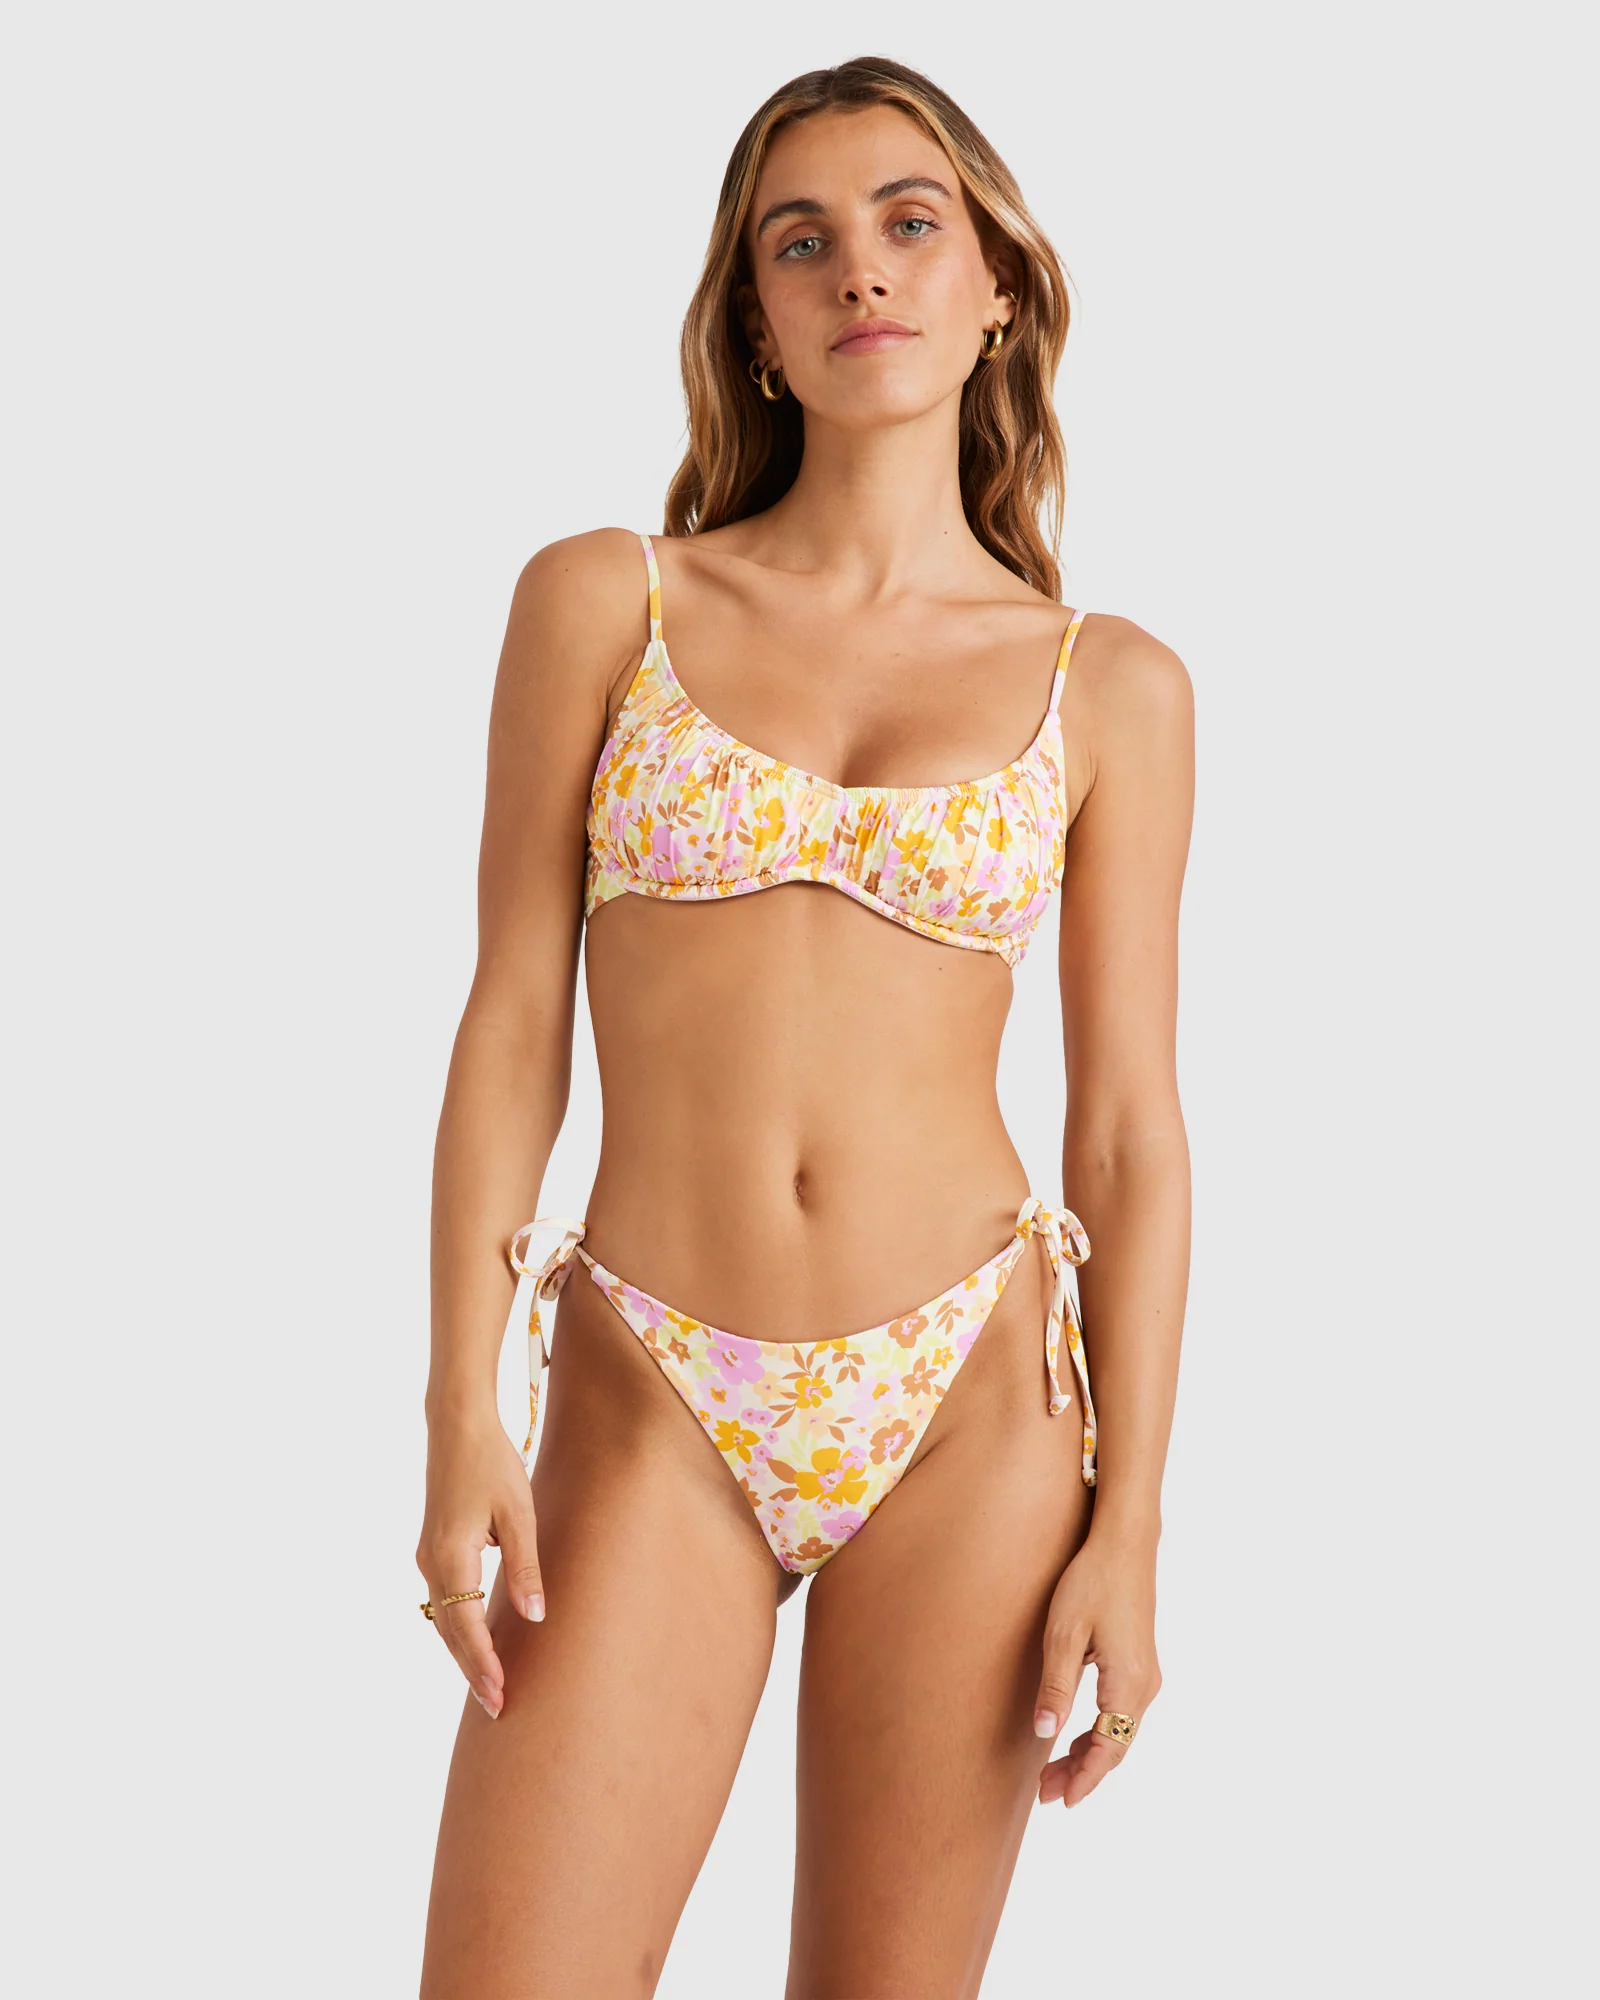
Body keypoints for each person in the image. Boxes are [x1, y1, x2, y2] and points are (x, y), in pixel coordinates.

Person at [417, 55, 1193, 2000]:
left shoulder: (1110, 686)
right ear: (755, 320)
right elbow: (509, 1020)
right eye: (801, 240)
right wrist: (458, 1407)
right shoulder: (606, 601)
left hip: (972, 1405)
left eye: (910, 222)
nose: (861, 267)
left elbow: (1127, 1130)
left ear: (994, 284)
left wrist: (1132, 1529)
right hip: (650, 1389)